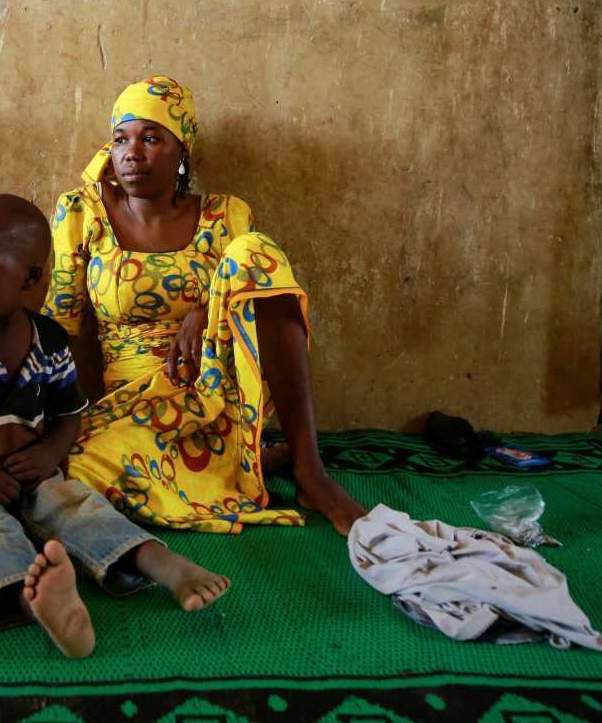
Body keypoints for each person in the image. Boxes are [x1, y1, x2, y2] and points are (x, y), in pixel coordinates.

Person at [0, 194, 230, 658]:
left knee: (76, 504)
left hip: (28, 474)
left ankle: (161, 563)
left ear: (30, 277)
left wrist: (48, 455)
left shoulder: (48, 341)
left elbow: (69, 411)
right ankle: (39, 603)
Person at [44, 76, 367, 535]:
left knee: (254, 251)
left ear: (182, 153)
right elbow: (63, 328)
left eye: (151, 138)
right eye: (121, 139)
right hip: (134, 407)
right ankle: (243, 459)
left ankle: (309, 471)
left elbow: (249, 294)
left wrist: (204, 311)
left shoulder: (225, 216)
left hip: (217, 390)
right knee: (72, 471)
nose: (132, 152)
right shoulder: (82, 213)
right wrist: (80, 418)